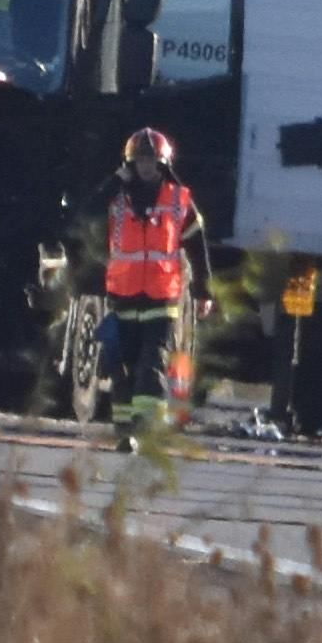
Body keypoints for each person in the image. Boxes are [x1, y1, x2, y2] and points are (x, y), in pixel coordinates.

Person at [97, 122, 206, 428]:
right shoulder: (116, 198)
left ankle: (145, 426)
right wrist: (114, 182)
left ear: (163, 163)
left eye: (151, 160)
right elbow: (86, 213)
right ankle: (123, 429)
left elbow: (197, 246)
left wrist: (203, 291)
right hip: (123, 298)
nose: (145, 166)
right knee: (121, 367)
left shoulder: (178, 200)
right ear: (131, 163)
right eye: (140, 160)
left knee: (152, 364)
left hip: (162, 299)